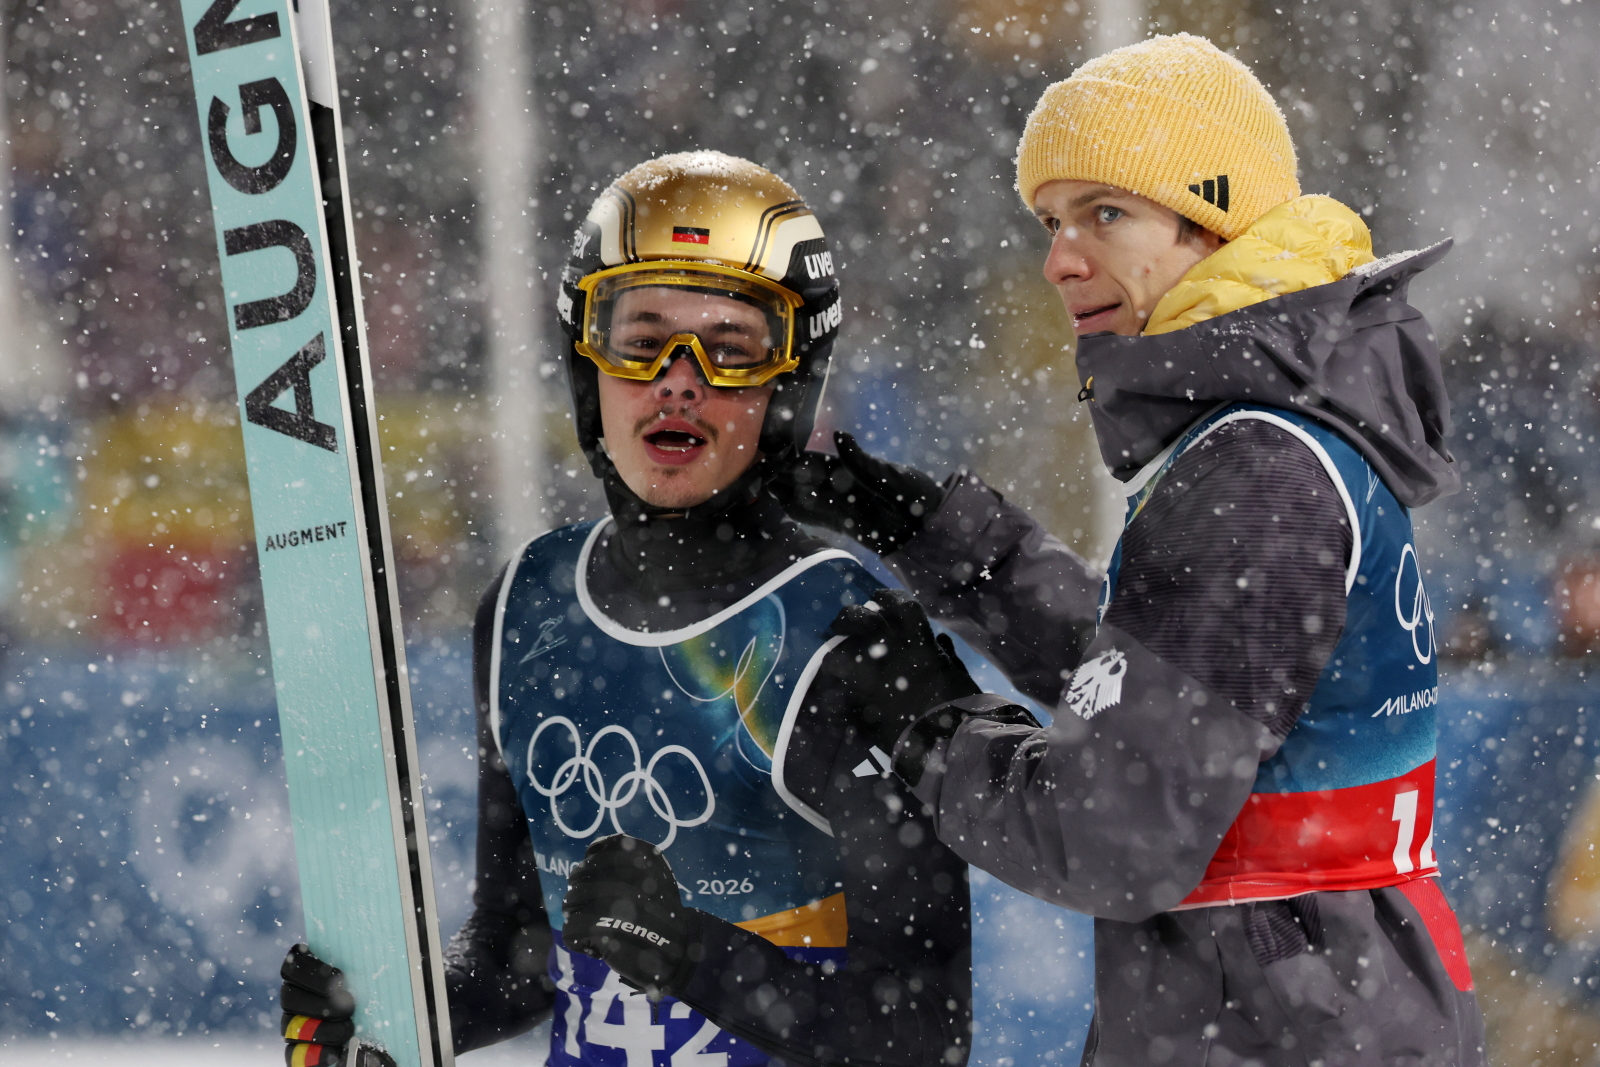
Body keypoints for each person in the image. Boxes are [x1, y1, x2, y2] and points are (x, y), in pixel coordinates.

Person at [778, 33, 1487, 1067]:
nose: (1061, 257)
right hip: (1322, 1005)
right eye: (1051, 220)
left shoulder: (1251, 470)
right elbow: (1165, 700)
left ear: (1217, 220)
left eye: (1105, 213)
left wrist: (928, 730)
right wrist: (935, 536)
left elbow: (1117, 828)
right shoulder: (1274, 432)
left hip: (1274, 1023)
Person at [279, 152, 972, 1067]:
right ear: (585, 365)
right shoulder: (527, 600)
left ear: (788, 388)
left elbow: (925, 1033)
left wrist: (693, 953)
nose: (678, 381)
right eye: (640, 338)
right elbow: (517, 961)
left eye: (729, 350)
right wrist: (380, 1017)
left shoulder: (851, 631)